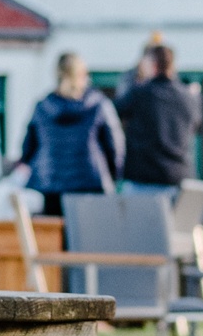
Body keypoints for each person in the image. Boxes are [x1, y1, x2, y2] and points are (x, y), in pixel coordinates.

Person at [12, 53, 124, 220]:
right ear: (83, 75)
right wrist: (115, 176)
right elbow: (114, 146)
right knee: (88, 240)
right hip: (90, 184)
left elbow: (27, 148)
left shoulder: (42, 107)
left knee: (55, 240)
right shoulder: (99, 105)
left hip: (50, 185)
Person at [116, 43, 201, 191]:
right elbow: (198, 126)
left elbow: (114, 112)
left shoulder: (139, 94)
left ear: (153, 65)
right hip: (179, 180)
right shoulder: (189, 97)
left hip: (143, 181)